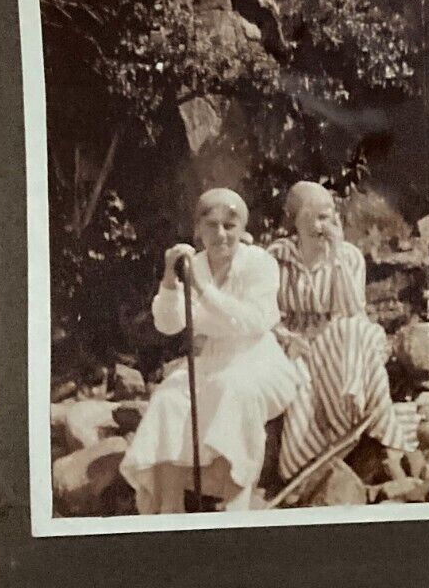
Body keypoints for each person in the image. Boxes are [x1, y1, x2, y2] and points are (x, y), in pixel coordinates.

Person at [120, 188, 300, 514]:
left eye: (229, 226)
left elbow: (253, 321)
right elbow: (168, 324)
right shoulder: (193, 265)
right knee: (169, 398)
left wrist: (202, 290)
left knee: (232, 390)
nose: (220, 234)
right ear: (197, 230)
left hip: (256, 359)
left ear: (243, 229)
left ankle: (235, 500)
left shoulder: (261, 264)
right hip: (211, 361)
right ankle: (170, 505)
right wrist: (170, 280)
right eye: (211, 225)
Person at [268, 181, 415, 481]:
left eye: (328, 216)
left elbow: (352, 310)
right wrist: (286, 337)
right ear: (294, 219)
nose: (323, 225)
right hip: (292, 336)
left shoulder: (348, 256)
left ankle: (376, 435)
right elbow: (266, 311)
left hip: (337, 331)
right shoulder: (277, 257)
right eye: (314, 217)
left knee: (355, 334)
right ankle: (316, 461)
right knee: (301, 373)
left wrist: (335, 259)